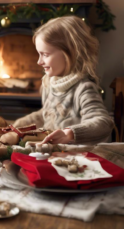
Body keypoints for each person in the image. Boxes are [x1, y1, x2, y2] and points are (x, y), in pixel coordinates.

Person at [14, 16, 113, 145]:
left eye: (45, 54)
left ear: (70, 54)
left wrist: (71, 133)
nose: (39, 61)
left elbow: (103, 123)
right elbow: (48, 113)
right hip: (50, 150)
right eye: (39, 54)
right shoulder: (49, 83)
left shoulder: (83, 88)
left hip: (73, 158)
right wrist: (18, 125)